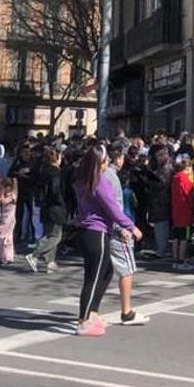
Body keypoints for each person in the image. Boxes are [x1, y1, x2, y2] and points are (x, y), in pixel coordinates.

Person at [74, 144, 139, 337]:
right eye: (106, 161)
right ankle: (83, 320)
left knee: (106, 271)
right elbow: (113, 208)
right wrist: (131, 226)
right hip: (97, 231)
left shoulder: (83, 179)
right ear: (100, 162)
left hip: (88, 231)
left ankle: (92, 313)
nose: (107, 164)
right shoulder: (99, 181)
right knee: (93, 279)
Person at [105, 147, 149, 326]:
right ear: (119, 158)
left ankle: (91, 312)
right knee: (127, 269)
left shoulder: (98, 175)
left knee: (102, 273)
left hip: (102, 229)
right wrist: (123, 227)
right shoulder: (111, 177)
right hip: (115, 229)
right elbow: (113, 206)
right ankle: (126, 311)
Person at [26, 148, 67, 273]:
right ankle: (34, 255)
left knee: (49, 234)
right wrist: (61, 203)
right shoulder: (56, 172)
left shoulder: (43, 171)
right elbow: (55, 190)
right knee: (56, 236)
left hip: (44, 206)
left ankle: (50, 262)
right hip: (55, 206)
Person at [170, 156, 194, 271]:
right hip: (185, 212)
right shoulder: (186, 180)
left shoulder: (175, 178)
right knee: (184, 238)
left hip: (176, 211)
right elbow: (190, 198)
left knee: (176, 237)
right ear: (188, 168)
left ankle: (175, 260)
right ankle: (181, 261)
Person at [0, 178, 18, 265]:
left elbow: (4, 201)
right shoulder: (5, 194)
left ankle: (7, 256)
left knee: (4, 237)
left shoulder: (12, 196)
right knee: (3, 237)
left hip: (9, 219)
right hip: (4, 217)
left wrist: (0, 197)